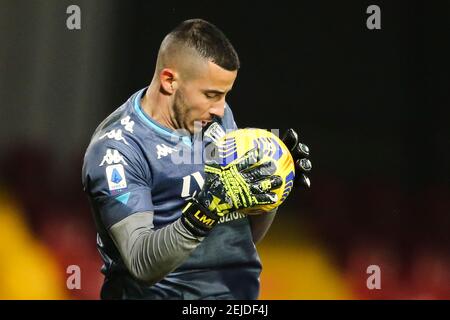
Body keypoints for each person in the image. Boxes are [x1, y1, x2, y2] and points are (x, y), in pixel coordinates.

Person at [82, 18, 312, 300]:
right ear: (169, 81)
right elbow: (141, 262)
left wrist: (271, 189)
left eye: (225, 95)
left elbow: (240, 240)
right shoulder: (118, 149)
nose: (221, 108)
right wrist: (207, 208)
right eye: (211, 94)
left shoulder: (212, 119)